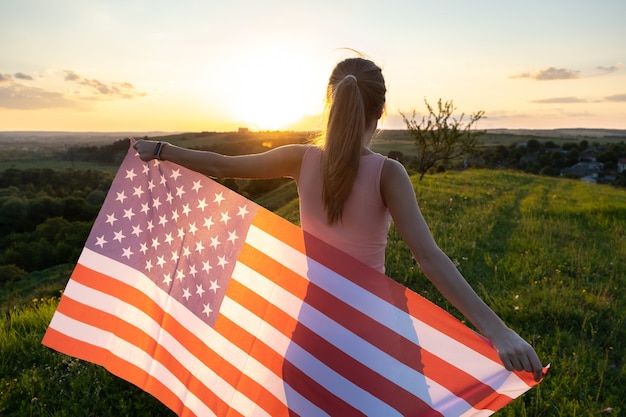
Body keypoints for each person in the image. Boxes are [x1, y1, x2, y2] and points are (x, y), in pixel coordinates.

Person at [134, 57, 544, 381]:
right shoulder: (389, 172)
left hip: (311, 328)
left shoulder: (300, 159)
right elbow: (430, 258)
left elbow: (222, 164)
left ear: (330, 103)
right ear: (380, 111)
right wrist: (497, 331)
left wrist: (163, 150)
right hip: (373, 331)